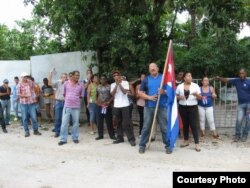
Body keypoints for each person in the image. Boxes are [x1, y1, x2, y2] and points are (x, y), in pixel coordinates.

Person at [138, 63, 170, 154]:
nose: (152, 69)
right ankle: (142, 145)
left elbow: (171, 90)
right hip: (149, 107)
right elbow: (140, 93)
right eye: (150, 68)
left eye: (153, 67)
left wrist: (163, 91)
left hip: (162, 106)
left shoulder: (164, 77)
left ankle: (168, 145)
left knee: (164, 128)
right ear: (149, 70)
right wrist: (149, 97)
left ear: (157, 68)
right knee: (146, 127)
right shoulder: (146, 79)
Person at [216, 68, 250, 142]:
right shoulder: (236, 81)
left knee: (248, 121)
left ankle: (245, 135)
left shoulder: (249, 82)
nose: (241, 75)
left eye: (243, 73)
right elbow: (227, 81)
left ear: (245, 73)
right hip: (241, 105)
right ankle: (237, 135)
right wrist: (219, 78)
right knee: (238, 120)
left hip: (249, 105)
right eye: (240, 73)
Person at [176, 72, 202, 152]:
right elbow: (175, 96)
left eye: (191, 76)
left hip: (193, 107)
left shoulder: (195, 86)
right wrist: (179, 97)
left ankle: (197, 143)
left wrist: (196, 95)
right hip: (182, 107)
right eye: (188, 76)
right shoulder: (179, 86)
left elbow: (200, 98)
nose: (190, 77)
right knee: (185, 124)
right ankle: (186, 140)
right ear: (184, 78)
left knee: (194, 125)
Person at [111, 70, 136, 146]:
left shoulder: (125, 83)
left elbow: (125, 92)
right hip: (116, 105)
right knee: (118, 122)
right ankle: (120, 138)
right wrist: (116, 85)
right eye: (114, 75)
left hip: (125, 105)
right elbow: (112, 94)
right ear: (113, 77)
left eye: (117, 75)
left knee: (127, 123)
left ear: (120, 76)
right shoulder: (112, 84)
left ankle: (131, 139)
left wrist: (120, 84)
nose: (116, 76)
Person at [58, 70, 83, 145]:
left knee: (75, 123)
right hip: (67, 106)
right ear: (72, 76)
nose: (77, 77)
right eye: (76, 75)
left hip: (76, 107)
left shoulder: (80, 85)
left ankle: (75, 137)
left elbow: (81, 96)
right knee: (64, 123)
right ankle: (63, 139)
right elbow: (64, 94)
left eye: (78, 75)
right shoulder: (66, 83)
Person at [18, 72, 42, 137]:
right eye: (24, 77)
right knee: (25, 118)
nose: (26, 78)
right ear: (21, 77)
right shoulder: (19, 84)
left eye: (26, 76)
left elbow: (35, 88)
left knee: (34, 117)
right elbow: (19, 94)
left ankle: (35, 130)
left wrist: (35, 94)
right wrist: (25, 95)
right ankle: (26, 131)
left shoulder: (30, 82)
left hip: (31, 103)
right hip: (24, 103)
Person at [95, 75, 115, 140]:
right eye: (101, 79)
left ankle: (112, 135)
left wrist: (109, 101)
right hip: (99, 106)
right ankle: (100, 135)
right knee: (99, 121)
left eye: (104, 79)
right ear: (99, 80)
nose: (102, 80)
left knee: (109, 121)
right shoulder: (98, 87)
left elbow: (113, 96)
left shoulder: (109, 86)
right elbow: (96, 95)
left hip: (107, 106)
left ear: (106, 80)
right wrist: (97, 102)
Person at [48, 69, 68, 137]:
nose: (64, 78)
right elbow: (49, 83)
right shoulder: (58, 83)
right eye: (63, 77)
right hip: (58, 102)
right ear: (60, 77)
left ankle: (65, 131)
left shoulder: (68, 84)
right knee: (57, 118)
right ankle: (57, 131)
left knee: (65, 118)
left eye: (65, 77)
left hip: (66, 102)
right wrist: (50, 73)